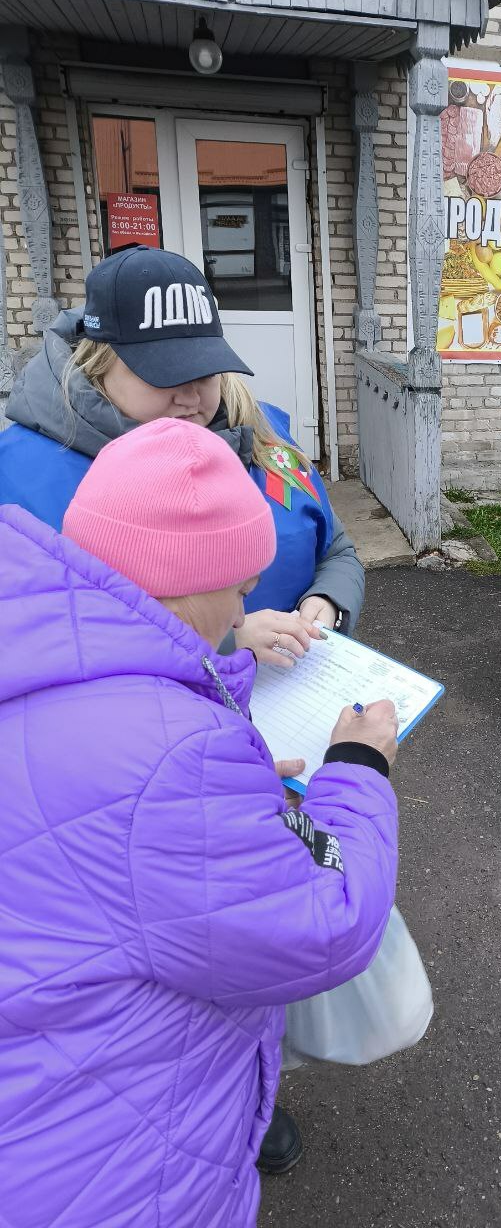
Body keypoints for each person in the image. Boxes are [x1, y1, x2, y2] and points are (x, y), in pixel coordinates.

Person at [0, 418, 399, 1228]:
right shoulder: (171, 765)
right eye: (242, 584)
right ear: (190, 580)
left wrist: (234, 779)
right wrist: (358, 769)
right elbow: (327, 920)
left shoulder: (38, 644)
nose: (248, 603)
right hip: (112, 1169)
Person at [0, 244, 363, 669]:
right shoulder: (18, 476)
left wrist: (330, 600)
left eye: (204, 371)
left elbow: (335, 548)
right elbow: (30, 643)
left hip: (295, 702)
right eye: (163, 373)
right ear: (98, 364)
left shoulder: (267, 432)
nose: (191, 397)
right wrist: (221, 642)